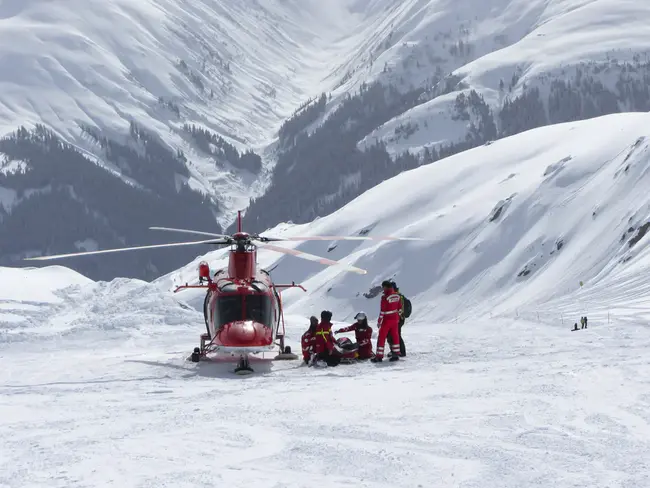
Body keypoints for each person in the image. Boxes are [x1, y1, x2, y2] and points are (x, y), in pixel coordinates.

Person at [371, 281, 402, 362]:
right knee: (395, 336)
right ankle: (396, 354)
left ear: (385, 287)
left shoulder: (384, 297)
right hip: (395, 319)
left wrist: (379, 321)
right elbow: (400, 308)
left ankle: (379, 356)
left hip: (387, 319)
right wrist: (397, 317)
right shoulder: (397, 296)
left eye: (383, 287)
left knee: (382, 337)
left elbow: (382, 311)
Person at [387, 280, 408, 357]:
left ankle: (401, 352)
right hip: (395, 319)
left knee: (396, 335)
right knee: (391, 335)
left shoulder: (397, 296)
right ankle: (394, 350)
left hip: (398, 319)